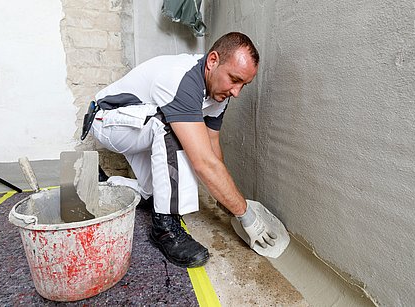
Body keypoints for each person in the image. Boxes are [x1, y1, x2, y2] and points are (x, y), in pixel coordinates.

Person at [89, 32, 276, 268]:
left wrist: (225, 198)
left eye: (243, 85)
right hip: (107, 121)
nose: (236, 92)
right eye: (234, 79)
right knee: (175, 129)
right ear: (212, 61)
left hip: (140, 124)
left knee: (154, 193)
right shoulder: (181, 80)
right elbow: (203, 161)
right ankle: (165, 230)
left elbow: (212, 146)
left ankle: (102, 185)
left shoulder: (219, 94)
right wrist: (245, 214)